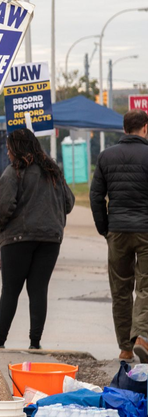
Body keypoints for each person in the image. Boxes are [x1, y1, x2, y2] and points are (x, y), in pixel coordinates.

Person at [0, 128, 75, 350]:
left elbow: (1, 208)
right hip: (51, 238)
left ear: (15, 149)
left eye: (10, 149)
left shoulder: (13, 172)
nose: (8, 153)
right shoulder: (53, 171)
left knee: (10, 290)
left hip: (17, 238)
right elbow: (69, 202)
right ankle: (35, 343)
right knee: (39, 290)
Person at [90, 109, 148, 362]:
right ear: (144, 128)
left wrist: (105, 227)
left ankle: (125, 348)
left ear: (124, 129)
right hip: (146, 230)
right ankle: (142, 337)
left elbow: (95, 196)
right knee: (145, 287)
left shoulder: (106, 156)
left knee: (120, 289)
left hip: (117, 230)